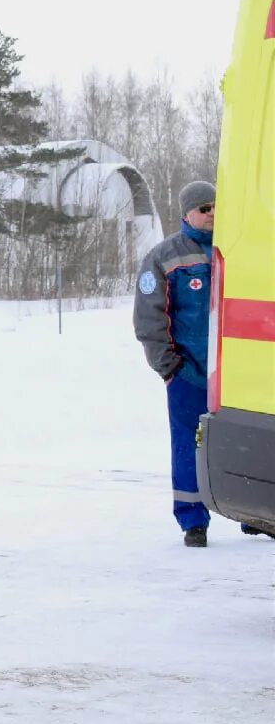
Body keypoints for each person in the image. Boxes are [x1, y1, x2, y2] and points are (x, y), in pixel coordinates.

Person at [134, 180, 227, 547]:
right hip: (189, 371)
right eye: (204, 208)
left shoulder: (235, 250)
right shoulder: (163, 257)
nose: (212, 214)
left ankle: (252, 516)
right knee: (189, 445)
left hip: (235, 373)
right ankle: (193, 519)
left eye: (217, 206)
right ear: (186, 213)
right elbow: (149, 318)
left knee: (243, 439)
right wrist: (169, 367)